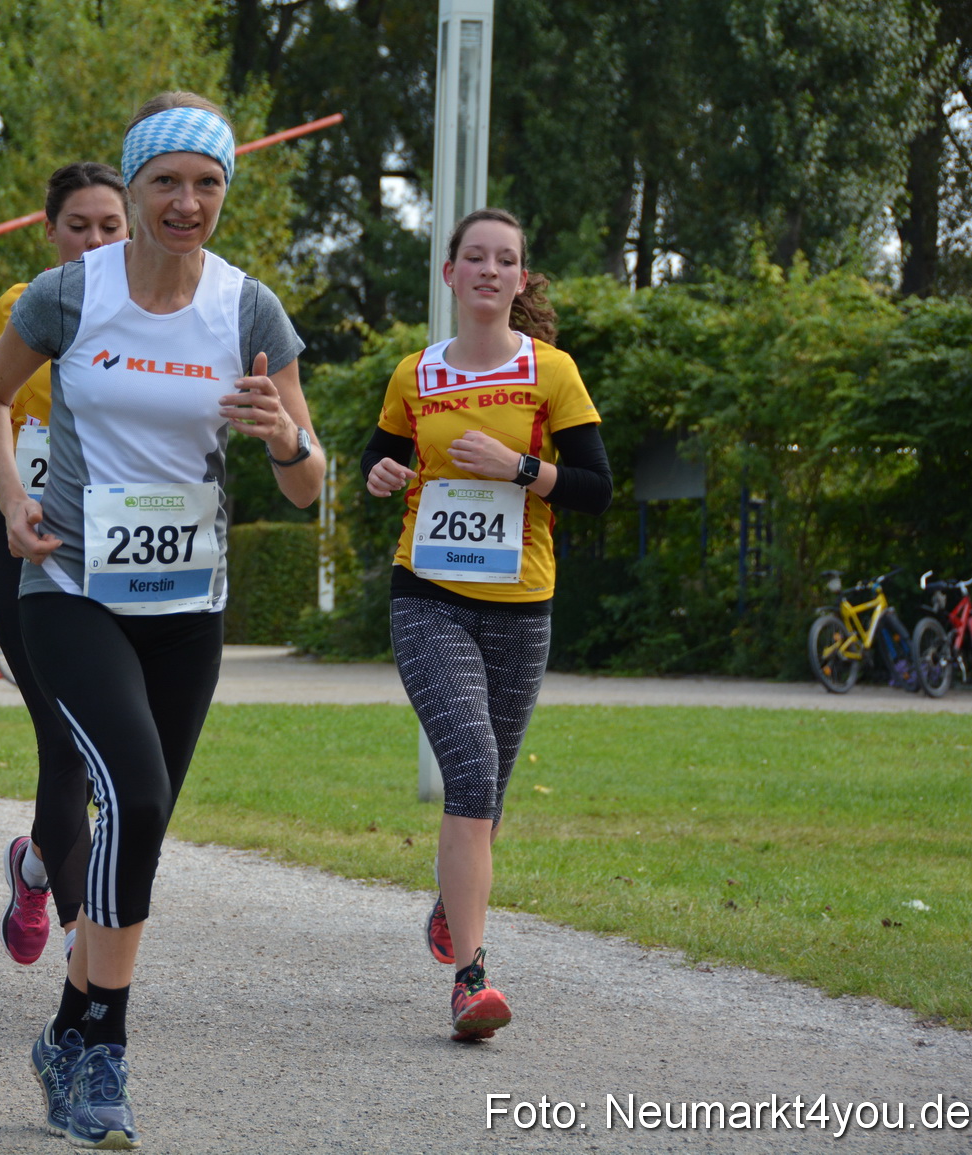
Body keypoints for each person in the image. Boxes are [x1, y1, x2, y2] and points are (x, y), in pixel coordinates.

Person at [0, 92, 322, 1148]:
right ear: (131, 189)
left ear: (224, 193)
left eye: (206, 183)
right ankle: (105, 1051)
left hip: (186, 605)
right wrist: (10, 498)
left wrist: (283, 440)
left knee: (144, 819)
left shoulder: (249, 312)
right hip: (71, 589)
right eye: (165, 181)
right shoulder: (67, 295)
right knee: (132, 784)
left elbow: (310, 486)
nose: (186, 202)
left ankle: (69, 1027)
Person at [362, 207, 612, 1043]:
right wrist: (383, 472)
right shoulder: (414, 373)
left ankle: (451, 901)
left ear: (520, 278)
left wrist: (522, 468)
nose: (490, 271)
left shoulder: (554, 372)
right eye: (475, 257)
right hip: (427, 595)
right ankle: (471, 980)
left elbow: (596, 486)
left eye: (506, 259)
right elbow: (379, 457)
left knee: (491, 786)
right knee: (470, 765)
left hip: (522, 602)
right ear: (451, 273)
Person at [0, 161, 128, 968]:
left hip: (129, 550)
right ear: (49, 229)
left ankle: (32, 867)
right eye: (79, 226)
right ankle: (78, 935)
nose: (95, 241)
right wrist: (10, 498)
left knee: (127, 751)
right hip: (29, 542)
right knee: (65, 742)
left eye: (110, 226)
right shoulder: (21, 306)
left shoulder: (167, 310)